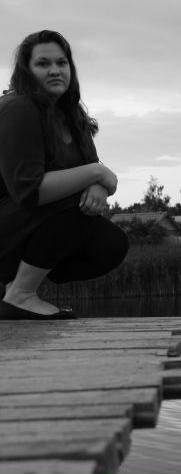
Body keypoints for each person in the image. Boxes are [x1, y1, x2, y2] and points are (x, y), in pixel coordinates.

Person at [0, 30, 129, 319]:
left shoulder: (72, 115)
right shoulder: (17, 107)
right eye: (43, 64)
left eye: (62, 62)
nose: (55, 70)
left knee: (111, 244)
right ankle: (20, 294)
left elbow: (97, 175)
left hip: (29, 224)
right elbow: (28, 189)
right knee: (73, 202)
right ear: (26, 71)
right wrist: (97, 174)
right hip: (8, 222)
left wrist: (99, 185)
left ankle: (13, 285)